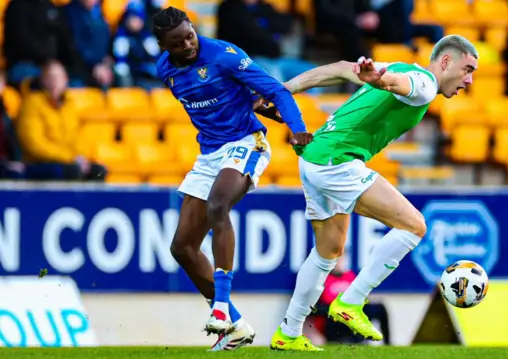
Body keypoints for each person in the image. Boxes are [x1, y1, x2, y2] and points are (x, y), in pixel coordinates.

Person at [268, 34, 478, 351]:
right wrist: (382, 81)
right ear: (446, 62)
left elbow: (339, 68)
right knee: (414, 225)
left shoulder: (395, 66)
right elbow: (398, 83)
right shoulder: (424, 84)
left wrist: (281, 92)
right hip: (336, 161)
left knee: (328, 253)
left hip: (313, 157)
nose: (470, 79)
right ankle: (352, 301)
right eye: (467, 69)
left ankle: (289, 332)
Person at [152, 7, 312, 351]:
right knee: (182, 247)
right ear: (164, 46)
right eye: (178, 43)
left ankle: (221, 309)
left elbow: (277, 91)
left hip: (245, 142)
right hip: (209, 153)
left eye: (190, 36)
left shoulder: (225, 55)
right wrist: (250, 101)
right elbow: (220, 98)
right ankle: (237, 326)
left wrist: (298, 129)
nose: (189, 45)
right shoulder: (165, 70)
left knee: (217, 205)